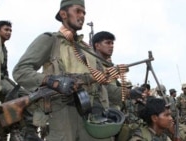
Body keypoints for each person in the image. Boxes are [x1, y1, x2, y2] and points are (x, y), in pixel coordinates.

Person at [12, 0, 125, 141]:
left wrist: (128, 93)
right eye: (77, 11)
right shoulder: (51, 40)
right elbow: (20, 71)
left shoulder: (87, 50)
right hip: (62, 115)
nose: (82, 16)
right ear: (63, 14)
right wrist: (52, 81)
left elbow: (102, 85)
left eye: (84, 12)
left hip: (92, 115)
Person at [0, 20, 26, 141]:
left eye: (10, 30)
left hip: (4, 78)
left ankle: (26, 128)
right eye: (6, 30)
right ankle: (15, 128)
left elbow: (5, 71)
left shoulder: (4, 49)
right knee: (13, 95)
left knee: (25, 94)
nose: (9, 32)